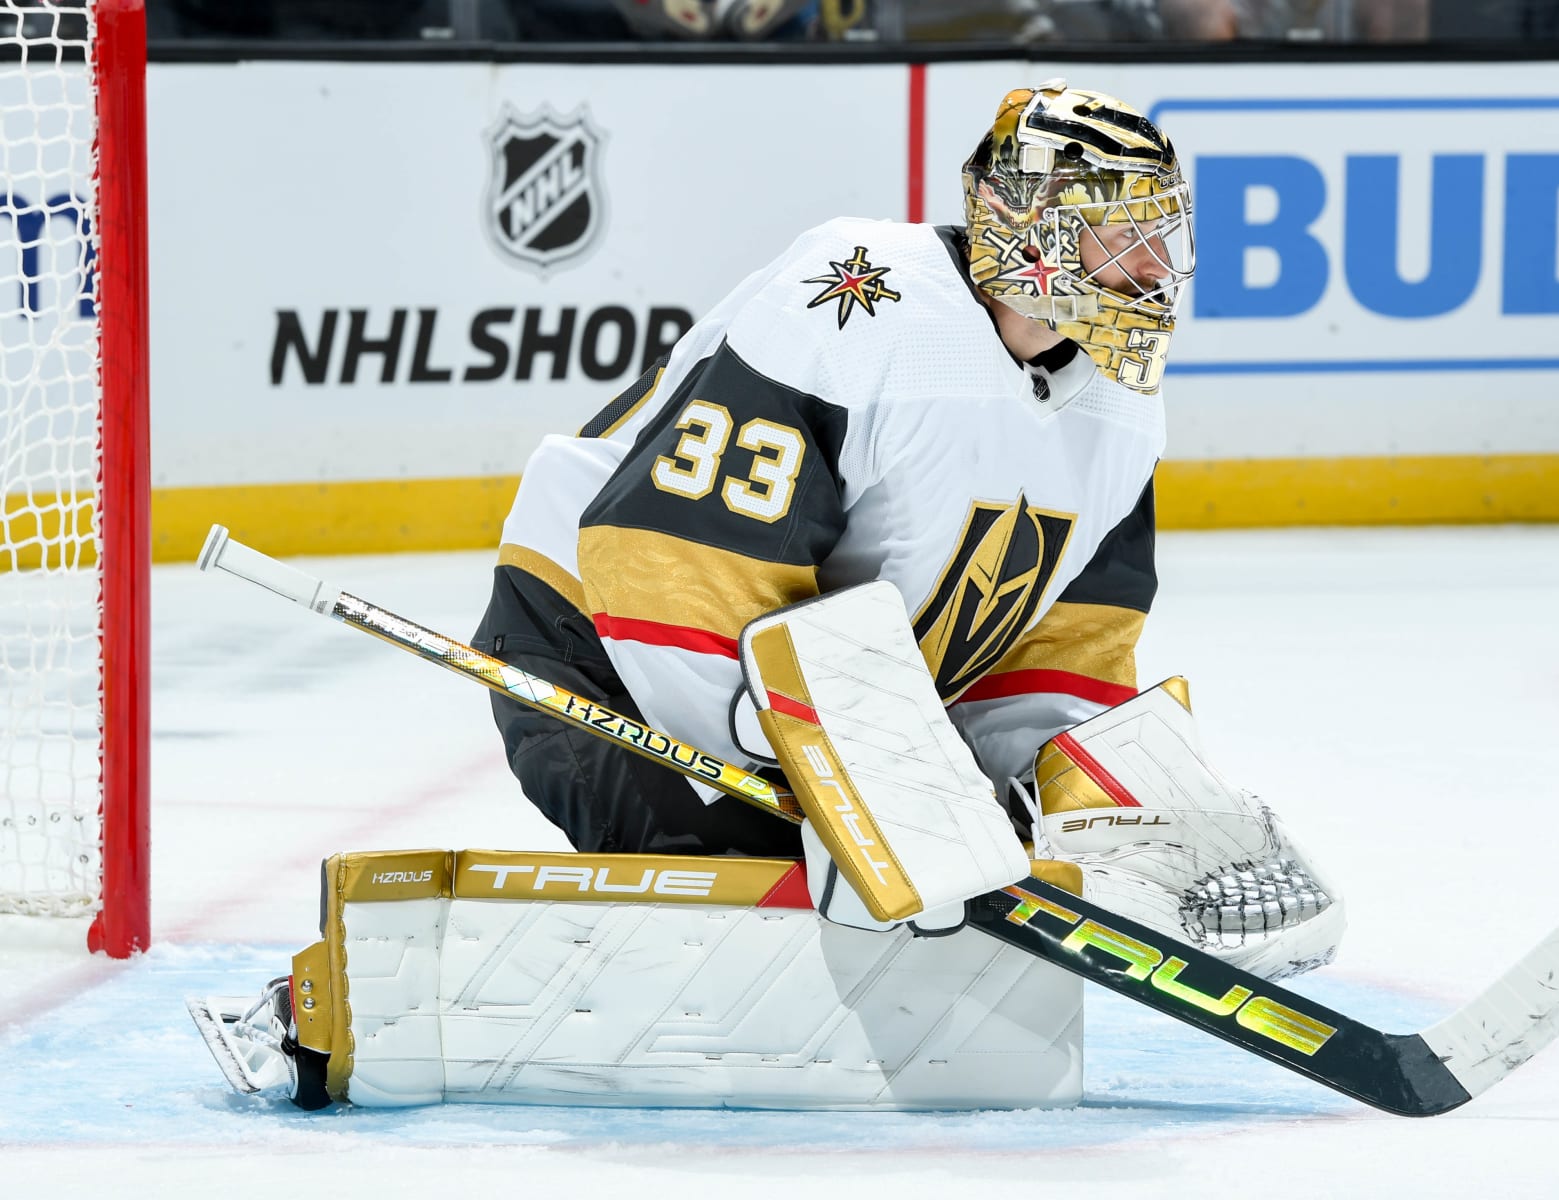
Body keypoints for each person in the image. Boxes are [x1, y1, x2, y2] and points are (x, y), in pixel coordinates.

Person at [473, 80, 1342, 979]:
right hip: (594, 642)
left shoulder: (1121, 410)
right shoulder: (861, 303)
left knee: (940, 912)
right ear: (1033, 230)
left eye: (1162, 236)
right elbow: (668, 562)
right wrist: (845, 787)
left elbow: (1058, 649)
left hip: (830, 704)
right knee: (764, 925)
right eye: (1125, 235)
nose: (1157, 269)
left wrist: (1087, 802)